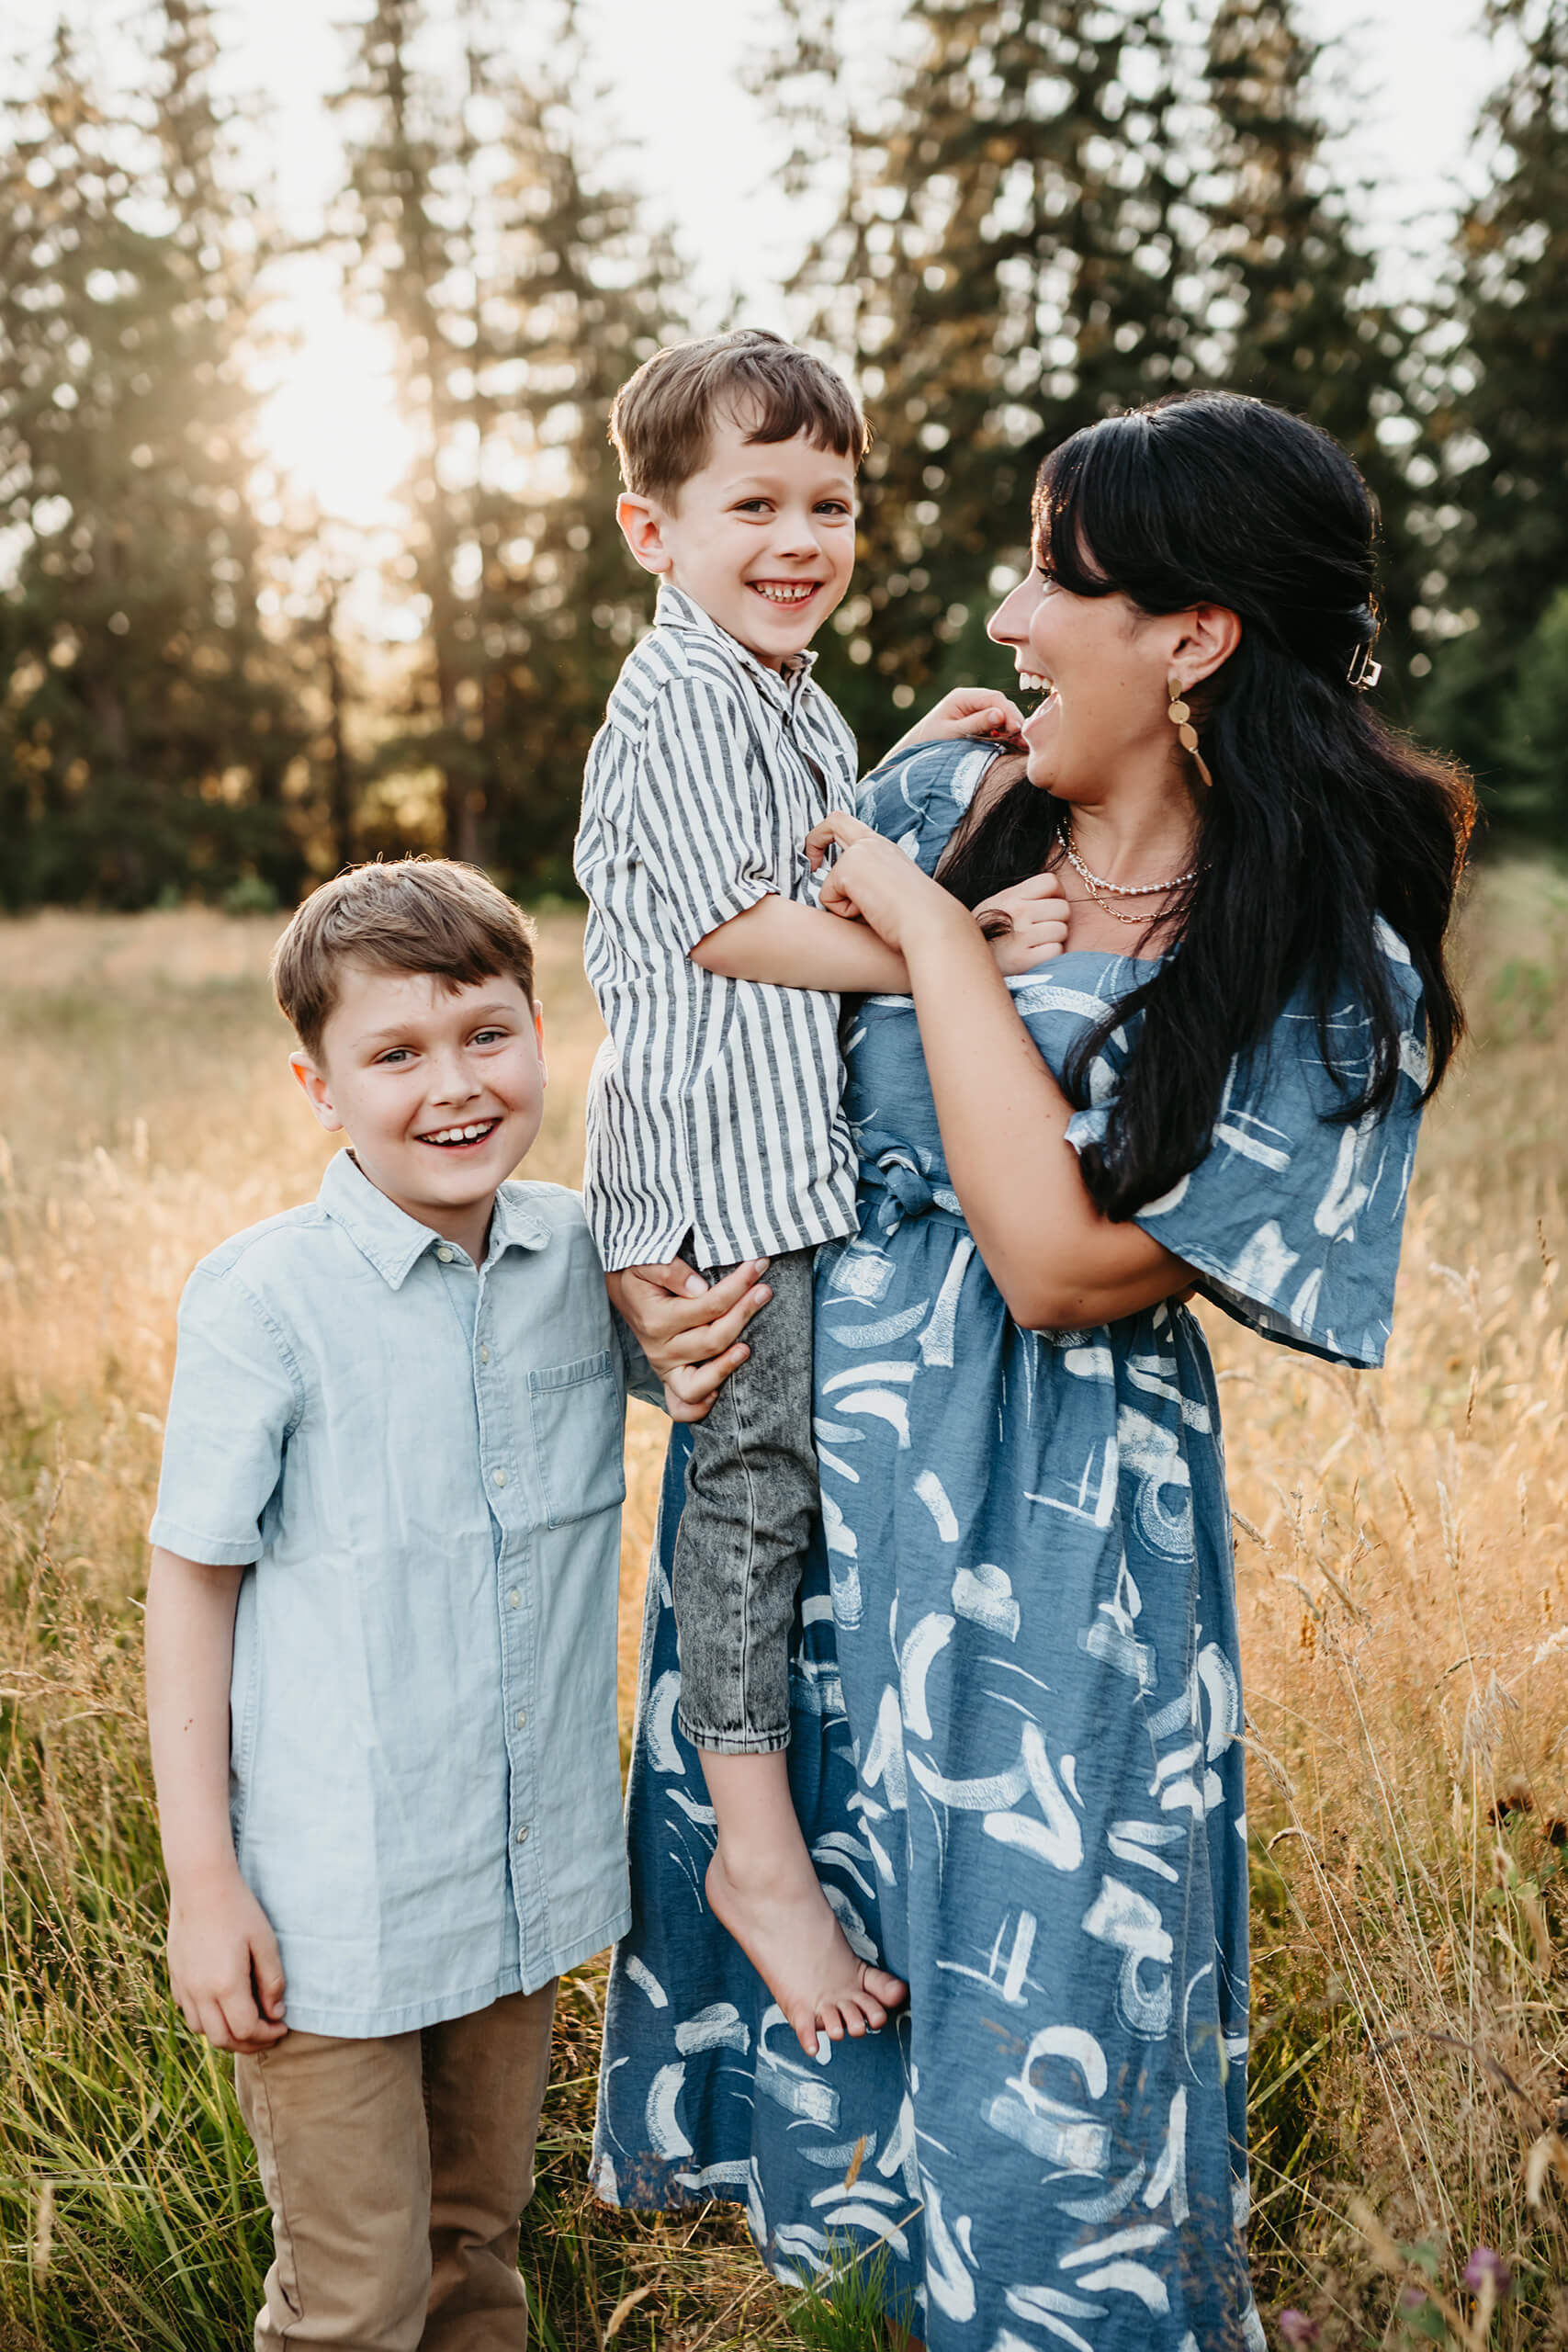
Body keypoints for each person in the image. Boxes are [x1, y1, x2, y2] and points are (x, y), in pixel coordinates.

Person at [592, 391, 1474, 2350]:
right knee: (836, 2062)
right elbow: (697, 1045)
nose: (999, 616)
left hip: (1045, 1567)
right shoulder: (937, 811)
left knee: (1044, 2085)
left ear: (1190, 635)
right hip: (812, 1507)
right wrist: (643, 1278)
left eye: (1051, 575)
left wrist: (933, 952)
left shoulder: (1319, 966)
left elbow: (1061, 1261)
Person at [141, 857, 737, 2352]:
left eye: (486, 1034)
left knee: (479, 2250)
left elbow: (703, 1356)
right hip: (326, 1916)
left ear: (544, 1034)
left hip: (519, 1888)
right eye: (394, 1055)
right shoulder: (263, 1298)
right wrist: (205, 1888)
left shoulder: (581, 1253)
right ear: (318, 1085)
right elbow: (190, 1590)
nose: (455, 1087)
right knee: (354, 2295)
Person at [574, 327, 1028, 2054]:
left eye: (827, 502)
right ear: (653, 534)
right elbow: (730, 922)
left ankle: (775, 1814)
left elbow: (800, 845)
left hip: (776, 1162)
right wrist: (951, 946)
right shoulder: (680, 697)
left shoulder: (781, 693)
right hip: (719, 1173)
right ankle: (754, 1854)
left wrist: (898, 749)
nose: (798, 537)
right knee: (754, 1498)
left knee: (775, 1487)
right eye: (751, 501)